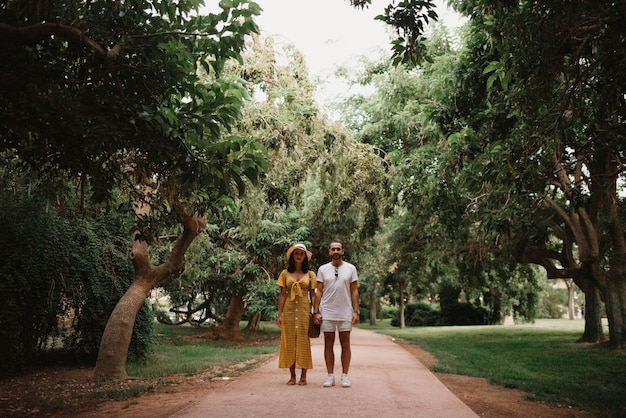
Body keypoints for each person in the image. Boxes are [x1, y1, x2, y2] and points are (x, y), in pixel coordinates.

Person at [313, 239, 359, 388]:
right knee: (328, 343)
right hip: (328, 311)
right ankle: (330, 375)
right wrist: (316, 311)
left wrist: (356, 311)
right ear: (329, 252)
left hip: (345, 311)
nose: (336, 252)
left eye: (338, 249)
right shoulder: (322, 269)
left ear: (343, 251)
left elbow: (354, 291)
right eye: (333, 249)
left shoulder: (351, 269)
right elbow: (318, 291)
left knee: (346, 343)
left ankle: (345, 375)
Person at [276, 243, 316, 385]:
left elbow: (313, 294)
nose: (299, 256)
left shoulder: (310, 274)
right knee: (289, 341)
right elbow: (282, 295)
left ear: (305, 257)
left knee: (304, 341)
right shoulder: (284, 274)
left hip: (305, 310)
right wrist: (279, 314)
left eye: (301, 254)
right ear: (292, 256)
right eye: (296, 254)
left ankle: (303, 376)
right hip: (289, 310)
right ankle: (292, 376)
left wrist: (315, 312)